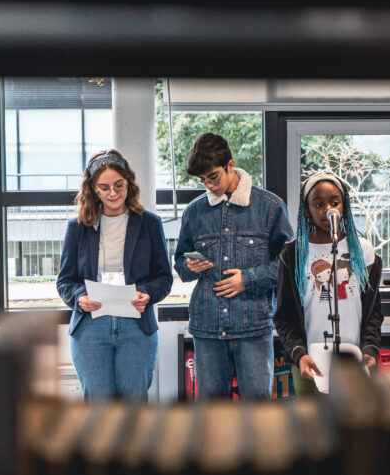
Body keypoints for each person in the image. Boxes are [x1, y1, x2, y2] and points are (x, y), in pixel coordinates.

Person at [174, 133, 293, 400]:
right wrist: (190, 266)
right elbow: (180, 264)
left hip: (253, 327)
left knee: (257, 412)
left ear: (230, 165)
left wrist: (248, 279)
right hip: (207, 327)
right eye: (203, 180)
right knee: (213, 414)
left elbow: (289, 265)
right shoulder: (193, 212)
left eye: (213, 177)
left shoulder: (270, 207)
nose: (209, 185)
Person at [57, 149, 173, 401]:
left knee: (133, 407)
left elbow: (164, 278)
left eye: (119, 185)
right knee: (99, 408)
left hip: (136, 326)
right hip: (90, 327)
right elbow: (65, 281)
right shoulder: (77, 227)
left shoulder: (149, 223)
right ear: (93, 189)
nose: (113, 193)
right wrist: (79, 297)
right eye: (104, 187)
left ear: (128, 183)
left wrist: (147, 293)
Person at [274, 173, 383, 392]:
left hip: (355, 358)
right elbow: (284, 316)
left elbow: (373, 311)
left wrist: (370, 349)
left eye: (334, 203)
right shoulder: (293, 253)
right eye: (318, 204)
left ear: (344, 205)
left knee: (356, 414)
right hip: (310, 359)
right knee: (311, 414)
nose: (328, 210)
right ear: (307, 210)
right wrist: (299, 354)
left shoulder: (363, 251)